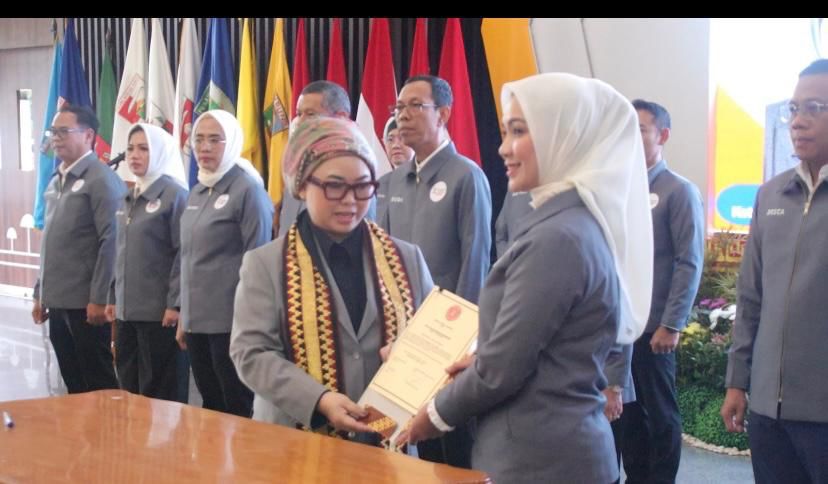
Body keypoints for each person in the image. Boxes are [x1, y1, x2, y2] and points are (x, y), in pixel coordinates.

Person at [399, 72, 654, 483]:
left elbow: (502, 370)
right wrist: (480, 359)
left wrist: (432, 416)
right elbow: (543, 347)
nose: (503, 148)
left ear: (562, 136)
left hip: (542, 459)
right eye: (505, 132)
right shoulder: (567, 221)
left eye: (518, 131)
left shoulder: (558, 237)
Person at [230, 116, 433, 446]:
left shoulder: (407, 258)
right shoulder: (265, 264)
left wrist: (415, 356)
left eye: (363, 186)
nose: (350, 200)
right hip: (294, 442)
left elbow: (432, 341)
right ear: (301, 185)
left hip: (387, 443)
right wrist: (319, 399)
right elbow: (251, 353)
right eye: (335, 186)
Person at [721, 58, 828, 484]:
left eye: (815, 108)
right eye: (794, 109)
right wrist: (737, 382)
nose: (798, 121)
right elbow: (750, 297)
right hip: (769, 413)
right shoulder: (771, 195)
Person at [378, 75, 492, 467]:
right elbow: (384, 259)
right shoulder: (392, 181)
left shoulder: (466, 176)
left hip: (448, 337)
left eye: (415, 106)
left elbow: (476, 261)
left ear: (442, 114)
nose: (403, 116)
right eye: (399, 107)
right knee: (417, 444)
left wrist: (464, 341)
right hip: (403, 333)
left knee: (454, 444)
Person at [617, 99, 705, 483]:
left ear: (663, 135)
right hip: (622, 326)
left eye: (639, 129)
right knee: (627, 414)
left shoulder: (678, 190)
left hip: (656, 327)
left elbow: (689, 261)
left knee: (660, 415)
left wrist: (672, 323)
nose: (630, 138)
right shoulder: (619, 189)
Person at [178, 109, 274, 417]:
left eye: (214, 140)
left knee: (237, 407)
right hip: (197, 321)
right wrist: (184, 315)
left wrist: (250, 321)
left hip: (231, 322)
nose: (204, 147)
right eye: (199, 140)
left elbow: (258, 259)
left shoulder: (248, 190)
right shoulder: (197, 190)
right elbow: (188, 257)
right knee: (210, 406)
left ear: (231, 142)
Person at [31, 105, 127, 393]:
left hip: (86, 303)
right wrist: (40, 292)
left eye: (64, 131)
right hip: (58, 299)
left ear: (88, 136)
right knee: (73, 381)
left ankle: (107, 426)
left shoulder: (101, 179)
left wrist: (99, 297)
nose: (56, 138)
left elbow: (112, 241)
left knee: (98, 382)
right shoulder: (57, 179)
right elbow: (51, 243)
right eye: (53, 132)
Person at [105, 123, 188, 401]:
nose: (134, 155)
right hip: (127, 313)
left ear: (160, 152)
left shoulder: (175, 195)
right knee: (129, 390)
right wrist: (113, 296)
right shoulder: (128, 196)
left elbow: (183, 252)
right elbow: (119, 251)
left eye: (143, 149)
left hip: (159, 315)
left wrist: (175, 304)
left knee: (161, 394)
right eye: (130, 149)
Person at [276, 80, 352, 238]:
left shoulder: (354, 171)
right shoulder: (297, 165)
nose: (300, 122)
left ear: (341, 117)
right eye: (299, 114)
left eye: (311, 114)